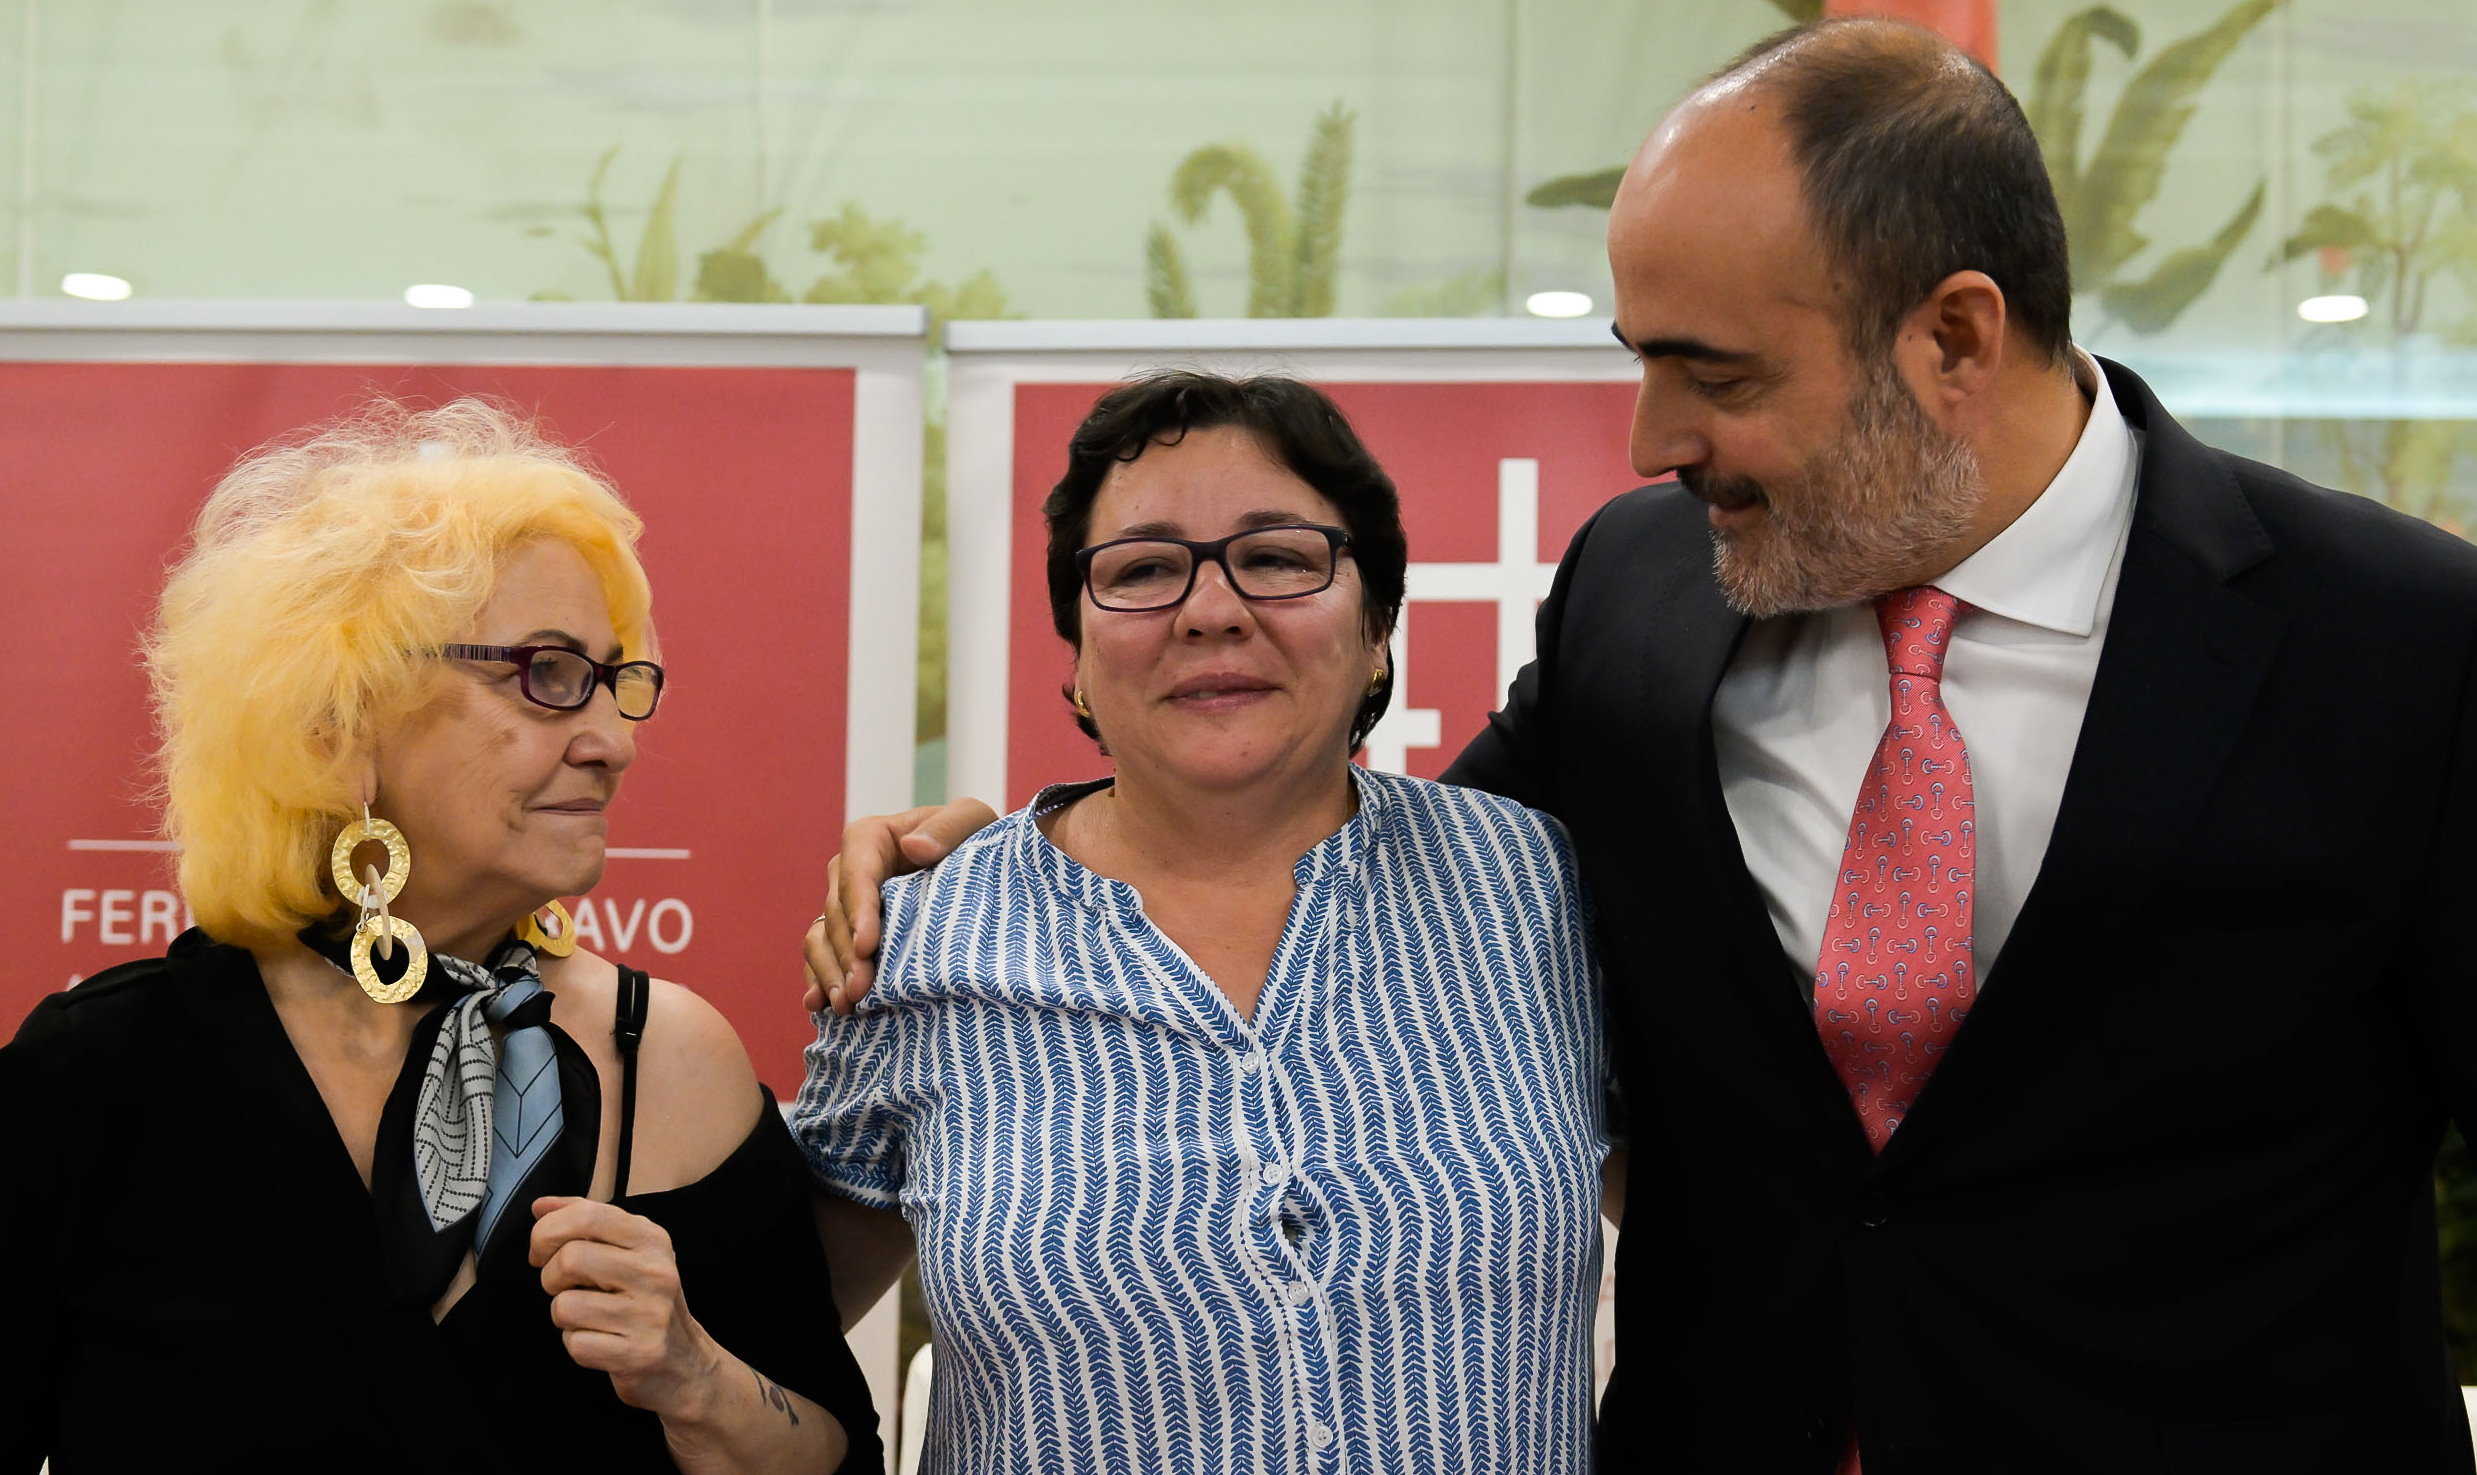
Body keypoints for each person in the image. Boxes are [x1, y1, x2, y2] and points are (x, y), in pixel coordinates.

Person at [810, 18, 2477, 1474]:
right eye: (1639, 360)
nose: (1648, 438)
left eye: (1714, 373)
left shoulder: (2397, 643)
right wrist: (1036, 860)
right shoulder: (1641, 596)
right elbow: (1367, 892)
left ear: (1955, 341)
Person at [0, 400, 880, 1474]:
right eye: (544, 674)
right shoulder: (98, 1070)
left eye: (615, 681)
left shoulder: (676, 1060)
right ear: (337, 720)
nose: (611, 741)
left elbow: (838, 1455)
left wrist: (695, 1376)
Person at [792, 372, 1610, 1474]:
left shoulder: (1532, 887)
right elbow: (772, 1339)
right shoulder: (922, 936)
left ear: (1376, 626)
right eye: (1141, 569)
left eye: (1275, 557)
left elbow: (1732, 1234)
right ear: (1075, 655)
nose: (1211, 609)